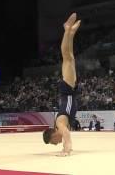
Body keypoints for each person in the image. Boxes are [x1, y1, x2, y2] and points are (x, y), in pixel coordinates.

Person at [42, 13, 81, 156]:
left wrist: (66, 149)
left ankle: (67, 30)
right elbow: (65, 135)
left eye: (54, 142)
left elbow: (66, 134)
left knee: (68, 58)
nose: (56, 143)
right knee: (70, 57)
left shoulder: (59, 124)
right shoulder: (59, 126)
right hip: (68, 91)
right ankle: (70, 33)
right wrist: (65, 145)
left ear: (53, 135)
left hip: (67, 91)